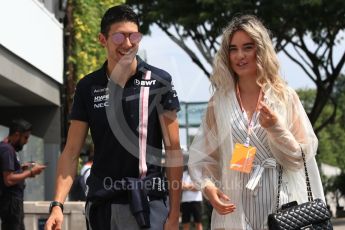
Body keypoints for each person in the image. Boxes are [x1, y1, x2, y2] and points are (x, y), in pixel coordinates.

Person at [45, 4, 183, 230]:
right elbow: (71, 152)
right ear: (102, 39)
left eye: (134, 36)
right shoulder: (88, 86)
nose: (128, 44)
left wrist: (174, 213)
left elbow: (173, 150)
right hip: (102, 204)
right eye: (119, 36)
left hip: (148, 204)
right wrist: (57, 204)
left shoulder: (159, 81)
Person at [188, 15, 325, 229]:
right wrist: (208, 188)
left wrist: (276, 128)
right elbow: (204, 158)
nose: (239, 56)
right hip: (234, 208)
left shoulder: (284, 97)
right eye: (233, 49)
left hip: (281, 205)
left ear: (260, 50)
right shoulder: (219, 102)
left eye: (247, 47)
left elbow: (301, 157)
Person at [0, 118, 46, 230]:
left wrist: (21, 168)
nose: (26, 141)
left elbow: (6, 171)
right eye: (25, 137)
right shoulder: (7, 150)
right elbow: (9, 179)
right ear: (16, 135)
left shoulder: (7, 148)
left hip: (13, 203)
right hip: (11, 203)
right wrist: (31, 172)